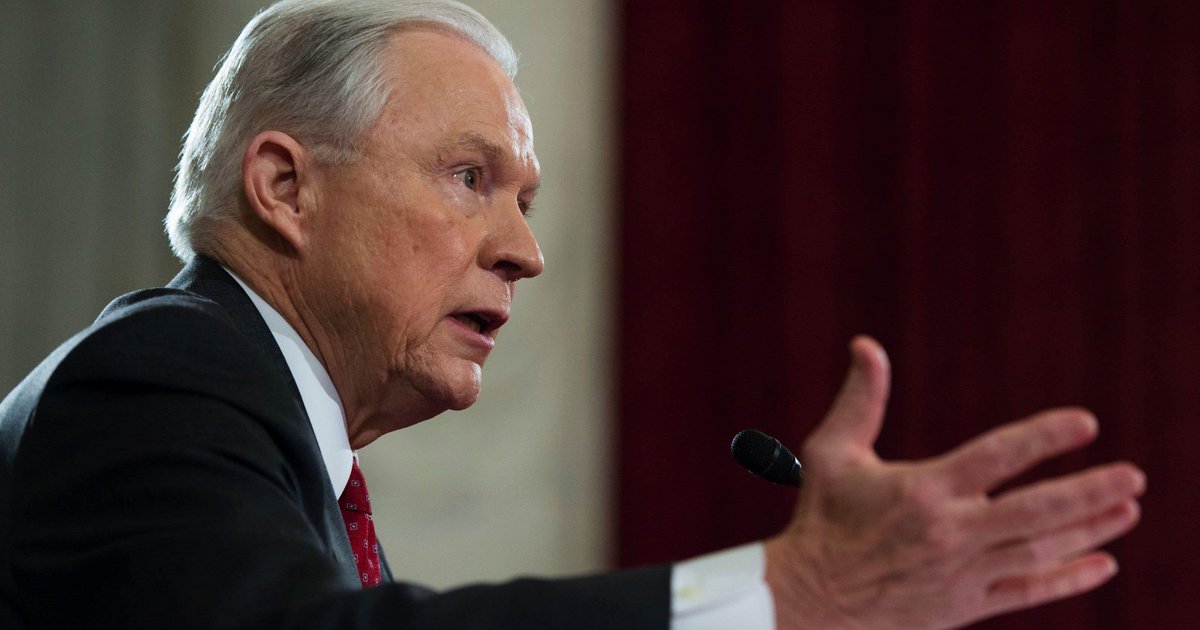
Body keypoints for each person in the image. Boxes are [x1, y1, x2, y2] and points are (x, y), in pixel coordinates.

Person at [0, 1, 1145, 628]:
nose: (526, 252)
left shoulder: (285, 451)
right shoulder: (156, 375)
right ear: (285, 187)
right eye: (469, 177)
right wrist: (783, 593)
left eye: (527, 201)